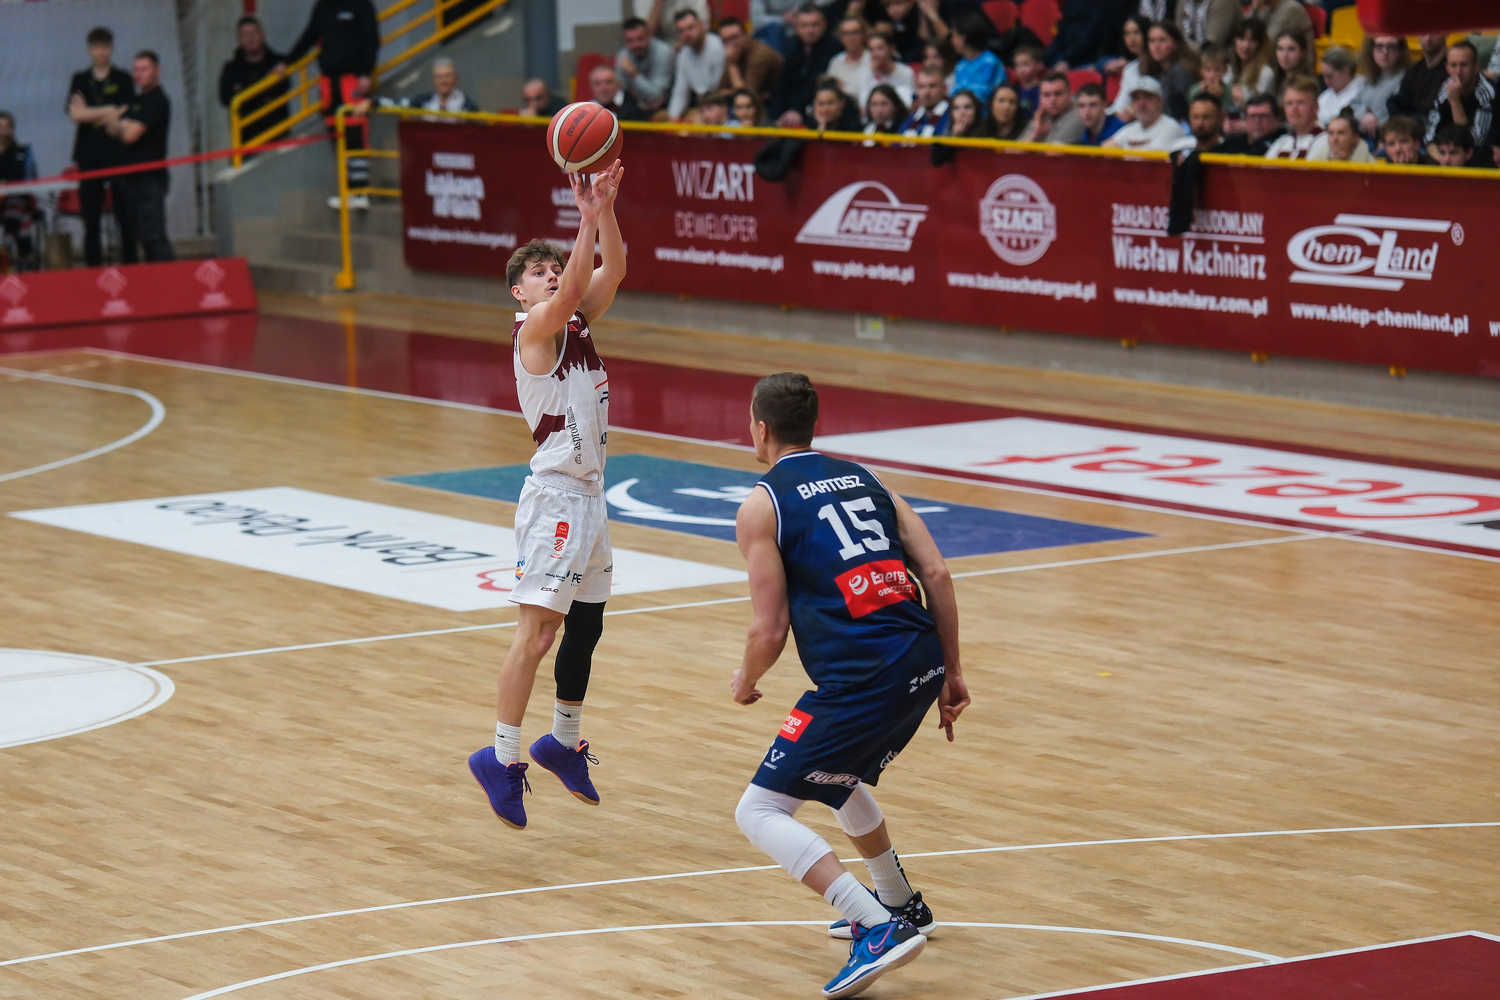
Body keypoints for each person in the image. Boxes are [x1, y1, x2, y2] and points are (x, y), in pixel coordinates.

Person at [730, 371, 969, 1000]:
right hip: (920, 657)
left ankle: (876, 927)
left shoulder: (761, 505)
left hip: (864, 674)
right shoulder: (868, 478)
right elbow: (937, 573)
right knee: (840, 776)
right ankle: (901, 903)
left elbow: (770, 629)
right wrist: (952, 671)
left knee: (759, 810)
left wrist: (746, 678)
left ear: (760, 427)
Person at [468, 160, 626, 832]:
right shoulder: (533, 330)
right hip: (555, 501)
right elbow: (571, 295)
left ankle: (562, 741)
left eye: (557, 267)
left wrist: (606, 209)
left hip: (591, 499)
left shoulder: (577, 320)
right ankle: (500, 757)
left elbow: (613, 271)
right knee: (536, 635)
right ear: (518, 291)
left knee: (586, 625)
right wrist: (584, 218)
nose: (553, 275)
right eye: (539, 271)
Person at [283, 0, 381, 211]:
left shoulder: (361, 4)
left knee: (356, 134)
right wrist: (287, 62)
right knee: (337, 137)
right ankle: (347, 190)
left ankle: (360, 191)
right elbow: (309, 37)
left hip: (352, 79)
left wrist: (366, 72)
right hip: (328, 82)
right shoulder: (322, 6)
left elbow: (371, 39)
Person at [67, 27, 136, 267]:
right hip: (88, 154)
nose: (101, 51)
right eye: (96, 47)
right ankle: (93, 270)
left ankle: (131, 266)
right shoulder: (80, 79)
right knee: (91, 219)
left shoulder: (122, 78)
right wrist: (107, 110)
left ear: (112, 49)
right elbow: (75, 115)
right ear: (89, 49)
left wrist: (90, 112)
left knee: (125, 216)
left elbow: (125, 111)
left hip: (117, 153)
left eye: (105, 47)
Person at [105, 51, 174, 262]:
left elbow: (129, 135)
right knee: (134, 236)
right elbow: (111, 128)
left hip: (149, 179)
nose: (139, 74)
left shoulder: (157, 100)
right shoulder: (137, 101)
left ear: (157, 71)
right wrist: (121, 125)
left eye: (144, 69)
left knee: (153, 236)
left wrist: (121, 124)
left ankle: (169, 277)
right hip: (130, 179)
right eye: (136, 70)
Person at [218, 16, 288, 145]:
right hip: (247, 142)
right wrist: (264, 83)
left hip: (278, 137)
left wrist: (242, 90)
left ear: (263, 35)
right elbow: (225, 98)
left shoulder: (278, 63)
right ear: (239, 40)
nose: (251, 38)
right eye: (245, 35)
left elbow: (283, 86)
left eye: (254, 33)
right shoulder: (231, 69)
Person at [1425, 42, 1495, 168]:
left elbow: (1475, 142)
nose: (1458, 71)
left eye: (1464, 65)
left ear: (1476, 66)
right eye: (1453, 65)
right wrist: (1443, 159)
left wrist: (1455, 102)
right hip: (1453, 155)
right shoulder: (1444, 90)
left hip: (1482, 159)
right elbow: (1429, 136)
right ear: (1447, 68)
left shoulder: (1488, 93)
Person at [772, 4, 842, 126]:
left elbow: (816, 85)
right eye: (804, 26)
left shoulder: (833, 50)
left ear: (824, 25)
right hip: (788, 115)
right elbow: (781, 87)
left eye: (814, 25)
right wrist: (778, 115)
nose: (809, 31)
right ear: (796, 27)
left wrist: (796, 111)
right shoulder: (793, 50)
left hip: (816, 115)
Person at [667, 10, 726, 120]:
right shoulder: (683, 55)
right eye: (681, 31)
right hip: (702, 105)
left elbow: (717, 89)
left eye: (690, 28)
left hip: (721, 104)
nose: (686, 34)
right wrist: (673, 118)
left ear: (701, 26)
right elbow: (680, 93)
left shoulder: (717, 47)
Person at [0, 112, 41, 265]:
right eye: (0, 126)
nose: (3, 130)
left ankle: (9, 241)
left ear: (12, 129)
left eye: (6, 126)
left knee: (16, 203)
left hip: (18, 198)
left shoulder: (23, 152)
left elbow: (31, 178)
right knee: (23, 215)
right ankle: (25, 256)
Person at [1104, 76, 1186, 150]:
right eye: (1136, 99)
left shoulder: (1171, 127)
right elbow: (1103, 150)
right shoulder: (1133, 127)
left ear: (1160, 101)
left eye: (1148, 98)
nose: (1141, 104)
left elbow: (1151, 159)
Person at [1141, 21, 1201, 123]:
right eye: (1152, 41)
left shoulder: (1181, 72)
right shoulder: (1148, 70)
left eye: (1162, 40)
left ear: (1176, 43)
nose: (1156, 46)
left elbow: (1187, 110)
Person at [1350, 35, 1408, 140]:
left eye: (1391, 46)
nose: (1384, 52)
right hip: (1363, 136)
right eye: (1379, 46)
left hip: (1388, 138)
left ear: (1400, 51)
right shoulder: (1367, 79)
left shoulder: (1405, 79)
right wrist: (1365, 114)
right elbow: (1353, 105)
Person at [617, 16, 674, 116]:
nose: (636, 44)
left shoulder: (664, 53)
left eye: (640, 39)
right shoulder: (623, 56)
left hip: (666, 104)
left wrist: (635, 74)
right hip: (638, 103)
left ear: (649, 36)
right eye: (630, 41)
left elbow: (658, 96)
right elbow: (625, 91)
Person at [719, 17, 782, 107]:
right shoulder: (735, 55)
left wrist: (731, 65)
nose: (731, 44)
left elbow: (745, 98)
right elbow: (720, 91)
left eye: (734, 37)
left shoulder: (760, 56)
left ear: (747, 35)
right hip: (757, 102)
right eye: (725, 41)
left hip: (777, 106)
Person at [383, 58, 480, 115]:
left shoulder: (468, 104)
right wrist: (375, 102)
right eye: (438, 77)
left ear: (456, 79)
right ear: (434, 81)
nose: (443, 81)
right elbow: (399, 103)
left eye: (447, 76)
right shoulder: (425, 101)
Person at [1389, 33, 1448, 122]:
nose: (1428, 38)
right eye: (1423, 32)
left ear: (1446, 32)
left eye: (1434, 31)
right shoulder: (1413, 71)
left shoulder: (1454, 70)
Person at [949, 11, 1004, 105]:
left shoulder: (989, 62)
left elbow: (982, 96)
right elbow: (954, 94)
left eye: (954, 37)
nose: (952, 42)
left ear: (963, 38)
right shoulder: (961, 65)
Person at [1044, 0, 1116, 71]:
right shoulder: (1071, 3)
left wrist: (1067, 60)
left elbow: (1090, 35)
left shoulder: (1100, 4)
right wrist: (1043, 59)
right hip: (1066, 53)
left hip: (1087, 56)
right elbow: (1061, 34)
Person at [1264, 76, 1322, 159]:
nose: (1294, 109)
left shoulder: (1325, 140)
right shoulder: (1282, 141)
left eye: (1300, 102)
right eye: (1289, 103)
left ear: (1315, 107)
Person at [876, 0, 951, 65]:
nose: (893, 9)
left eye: (898, 4)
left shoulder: (916, 15)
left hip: (916, 58)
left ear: (910, 2)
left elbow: (923, 39)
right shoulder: (888, 20)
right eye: (888, 6)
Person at [1104, 17, 1148, 122]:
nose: (1131, 39)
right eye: (1127, 34)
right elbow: (1120, 105)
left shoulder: (1158, 66)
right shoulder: (1130, 69)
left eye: (1136, 32)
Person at [1020, 71, 1084, 143]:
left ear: (1070, 94)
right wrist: (1035, 133)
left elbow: (1051, 150)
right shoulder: (1041, 117)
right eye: (1046, 95)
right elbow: (1012, 148)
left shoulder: (1078, 116)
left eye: (1058, 94)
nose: (1052, 100)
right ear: (1040, 97)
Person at [1226, 18, 1274, 108]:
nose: (1246, 46)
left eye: (1252, 41)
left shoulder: (1266, 73)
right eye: (1241, 39)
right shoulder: (1228, 70)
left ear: (1260, 44)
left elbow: (1260, 109)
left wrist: (1243, 103)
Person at [857, 33, 915, 107]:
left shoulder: (906, 73)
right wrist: (876, 77)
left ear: (891, 49)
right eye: (871, 50)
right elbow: (863, 104)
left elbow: (908, 102)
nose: (875, 54)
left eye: (880, 48)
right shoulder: (866, 74)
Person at [1220, 92, 1284, 154]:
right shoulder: (1233, 144)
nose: (1257, 121)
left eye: (1263, 116)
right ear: (1245, 119)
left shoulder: (1284, 144)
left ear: (1278, 119)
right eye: (1252, 116)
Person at [1317, 45, 1365, 127]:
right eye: (1324, 76)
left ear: (1346, 71)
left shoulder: (1364, 89)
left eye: (1330, 76)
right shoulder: (1323, 98)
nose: (1326, 81)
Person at [826, 15, 872, 98]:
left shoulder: (872, 59)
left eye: (855, 33)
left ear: (863, 35)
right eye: (846, 34)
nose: (851, 38)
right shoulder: (836, 61)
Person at [1268, 28, 1314, 110]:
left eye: (1291, 49)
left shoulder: (1308, 84)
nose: (1284, 55)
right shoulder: (1274, 78)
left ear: (1303, 52)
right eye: (1280, 49)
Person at [1307, 107, 1375, 163]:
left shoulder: (1370, 164)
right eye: (1331, 133)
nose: (1334, 139)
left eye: (1341, 133)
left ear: (1355, 138)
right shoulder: (1317, 158)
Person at [1247, 0, 1312, 56]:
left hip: (1299, 65)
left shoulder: (1290, 9)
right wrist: (1254, 8)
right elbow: (1247, 32)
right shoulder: (1268, 8)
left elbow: (1267, 44)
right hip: (1277, 60)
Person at [900, 68, 951, 136]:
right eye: (921, 86)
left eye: (932, 86)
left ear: (944, 88)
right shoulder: (913, 118)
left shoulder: (952, 115)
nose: (926, 92)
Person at [1010, 43, 1045, 117]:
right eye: (1017, 65)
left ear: (1039, 66)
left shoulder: (1043, 90)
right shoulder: (1016, 90)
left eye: (1025, 64)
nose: (1021, 70)